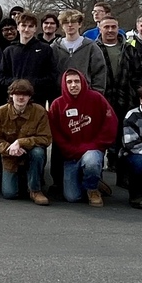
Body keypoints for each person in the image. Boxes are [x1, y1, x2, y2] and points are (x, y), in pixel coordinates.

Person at [48, 70, 117, 206]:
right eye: (69, 82)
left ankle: (92, 189)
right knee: (72, 197)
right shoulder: (57, 104)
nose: (73, 85)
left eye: (77, 81)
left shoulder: (97, 98)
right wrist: (71, 149)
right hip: (71, 156)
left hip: (93, 151)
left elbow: (111, 124)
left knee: (91, 161)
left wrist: (93, 146)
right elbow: (55, 133)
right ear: (64, 84)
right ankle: (93, 180)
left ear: (83, 82)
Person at [0, 79, 50, 204]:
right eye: (17, 94)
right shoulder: (0, 112)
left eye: (25, 94)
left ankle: (35, 190)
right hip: (10, 156)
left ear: (30, 97)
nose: (21, 97)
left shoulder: (39, 111)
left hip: (31, 152)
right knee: (9, 194)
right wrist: (9, 148)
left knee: (38, 153)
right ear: (11, 95)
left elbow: (46, 138)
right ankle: (23, 180)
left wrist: (21, 142)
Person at [95, 15, 142, 172]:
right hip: (102, 99)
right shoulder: (93, 49)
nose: (110, 30)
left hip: (126, 99)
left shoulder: (130, 49)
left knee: (124, 134)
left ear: (118, 28)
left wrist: (136, 94)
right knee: (101, 133)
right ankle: (98, 167)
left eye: (113, 27)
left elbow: (139, 75)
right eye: (106, 27)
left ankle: (120, 168)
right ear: (100, 29)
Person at [0, 13, 58, 106]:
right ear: (18, 27)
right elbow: (2, 76)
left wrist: (32, 83)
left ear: (35, 29)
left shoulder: (45, 49)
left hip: (37, 101)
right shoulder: (9, 51)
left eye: (30, 26)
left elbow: (52, 75)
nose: (26, 29)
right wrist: (17, 84)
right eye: (23, 25)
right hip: (14, 101)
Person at [51, 9, 107, 92]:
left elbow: (99, 72)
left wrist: (96, 94)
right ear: (62, 26)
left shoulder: (91, 46)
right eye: (66, 22)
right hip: (60, 95)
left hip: (86, 95)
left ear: (79, 24)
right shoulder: (54, 47)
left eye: (73, 22)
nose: (70, 25)